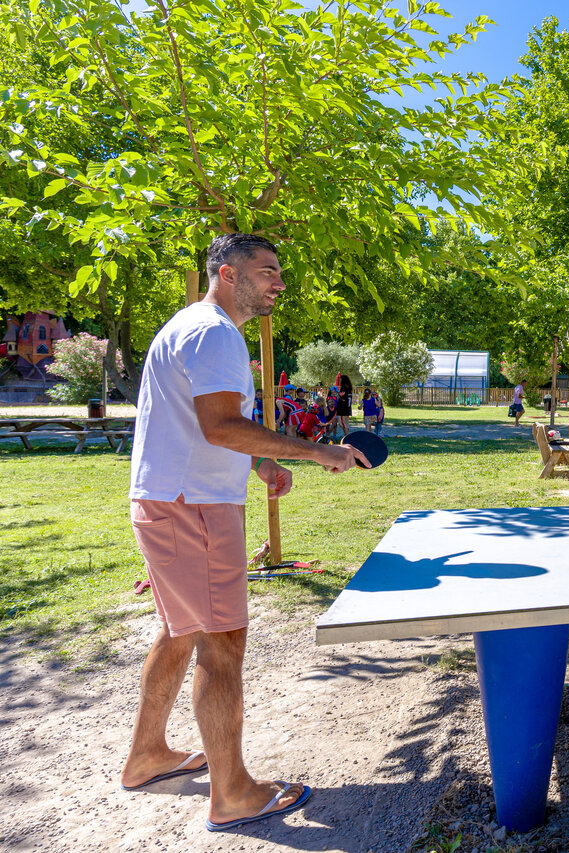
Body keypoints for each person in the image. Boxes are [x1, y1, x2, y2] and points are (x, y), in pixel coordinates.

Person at [123, 233, 366, 832]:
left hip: (173, 499)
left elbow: (199, 424)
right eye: (267, 271)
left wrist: (261, 463)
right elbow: (221, 425)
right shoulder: (214, 332)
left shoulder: (192, 325)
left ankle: (147, 756)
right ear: (228, 275)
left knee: (181, 632)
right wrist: (319, 452)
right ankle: (231, 793)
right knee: (221, 643)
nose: (278, 282)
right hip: (194, 508)